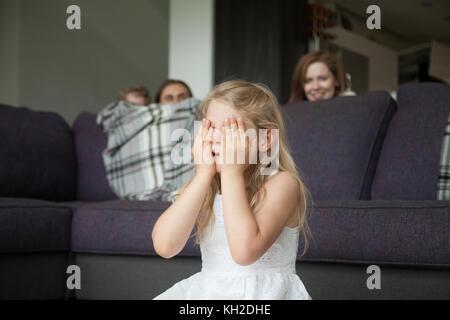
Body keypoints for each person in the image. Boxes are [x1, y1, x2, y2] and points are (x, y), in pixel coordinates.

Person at [152, 80, 312, 300]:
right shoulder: (202, 185)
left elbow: (244, 252)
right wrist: (201, 177)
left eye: (230, 130)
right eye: (211, 128)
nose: (216, 138)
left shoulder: (282, 184)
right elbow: (165, 246)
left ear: (265, 139)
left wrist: (231, 173)